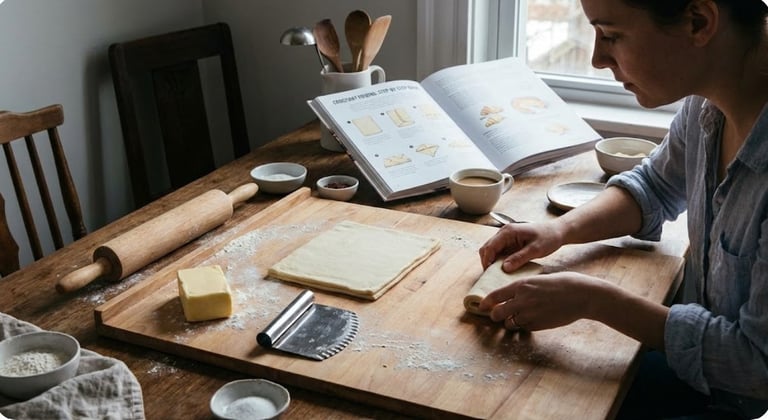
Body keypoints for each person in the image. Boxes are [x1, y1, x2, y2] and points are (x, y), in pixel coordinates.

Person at [477, 0, 768, 418]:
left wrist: (596, 301)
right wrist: (558, 231)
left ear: (699, 22)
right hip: (701, 376)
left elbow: (755, 366)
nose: (596, 59)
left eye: (611, 35)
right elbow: (655, 186)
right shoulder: (708, 102)